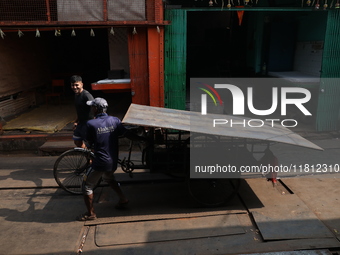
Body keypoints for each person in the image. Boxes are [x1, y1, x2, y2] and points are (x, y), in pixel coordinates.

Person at [77, 97, 146, 221]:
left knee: (86, 186)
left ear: (96, 109)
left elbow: (89, 142)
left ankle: (91, 214)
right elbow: (127, 134)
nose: (91, 108)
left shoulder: (91, 124)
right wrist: (144, 139)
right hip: (113, 161)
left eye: (92, 106)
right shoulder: (115, 120)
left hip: (101, 162)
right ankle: (123, 199)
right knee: (108, 178)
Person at [70, 75, 94, 148]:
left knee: (91, 143)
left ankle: (91, 157)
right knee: (77, 140)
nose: (74, 87)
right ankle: (87, 154)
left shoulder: (86, 95)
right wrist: (76, 121)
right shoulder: (76, 95)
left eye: (76, 85)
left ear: (82, 84)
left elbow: (95, 107)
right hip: (81, 122)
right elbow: (80, 110)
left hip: (89, 123)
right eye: (72, 85)